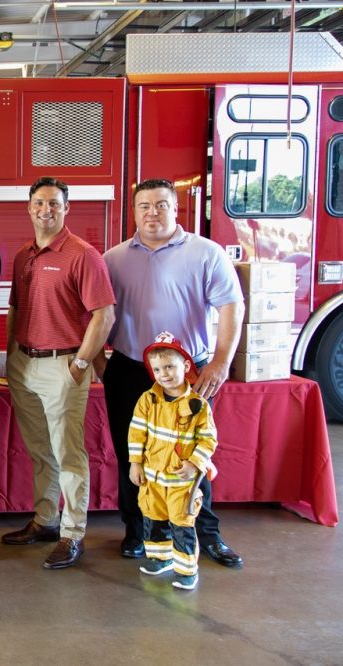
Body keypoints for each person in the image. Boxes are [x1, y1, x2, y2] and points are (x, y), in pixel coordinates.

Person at [96, 178, 245, 568]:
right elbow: (95, 314)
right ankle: (137, 530)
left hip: (186, 373)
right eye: (144, 205)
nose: (152, 213)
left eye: (161, 205)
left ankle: (204, 533)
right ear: (134, 211)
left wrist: (220, 362)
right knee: (135, 451)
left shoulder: (206, 254)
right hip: (128, 369)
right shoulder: (113, 259)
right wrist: (100, 363)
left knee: (192, 453)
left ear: (176, 209)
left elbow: (232, 306)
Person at [1, 177, 115, 570]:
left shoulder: (83, 255)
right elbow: (16, 307)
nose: (45, 210)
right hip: (24, 364)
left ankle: (72, 533)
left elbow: (104, 316)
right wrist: (12, 355)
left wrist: (80, 363)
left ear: (67, 208)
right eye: (38, 203)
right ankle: (46, 520)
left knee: (68, 454)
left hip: (63, 365)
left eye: (54, 203)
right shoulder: (22, 256)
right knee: (40, 451)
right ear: (29, 208)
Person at [130, 332, 219, 591]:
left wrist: (194, 463)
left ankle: (186, 569)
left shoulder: (198, 406)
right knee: (152, 517)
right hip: (153, 478)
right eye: (157, 369)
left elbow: (208, 440)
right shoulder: (148, 400)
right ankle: (160, 558)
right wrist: (135, 463)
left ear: (187, 366)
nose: (164, 374)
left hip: (182, 481)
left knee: (181, 523)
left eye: (170, 366)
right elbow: (137, 433)